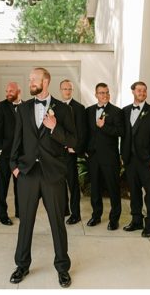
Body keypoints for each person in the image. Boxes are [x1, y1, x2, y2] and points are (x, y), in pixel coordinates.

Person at [9, 67, 78, 288]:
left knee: (57, 223)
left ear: (45, 81)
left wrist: (55, 127)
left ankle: (62, 267)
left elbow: (73, 142)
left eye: (34, 80)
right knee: (25, 222)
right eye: (29, 79)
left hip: (53, 174)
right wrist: (14, 166)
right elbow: (17, 139)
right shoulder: (24, 108)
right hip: (28, 173)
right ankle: (22, 265)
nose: (30, 83)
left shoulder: (64, 110)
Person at [121, 81, 150, 237]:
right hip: (130, 160)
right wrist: (122, 155)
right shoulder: (125, 111)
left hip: (147, 160)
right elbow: (124, 135)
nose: (142, 92)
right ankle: (136, 221)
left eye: (144, 90)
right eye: (139, 90)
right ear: (133, 91)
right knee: (134, 192)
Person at [84, 83, 124, 230]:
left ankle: (114, 219)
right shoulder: (88, 111)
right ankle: (96, 215)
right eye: (101, 93)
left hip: (109, 157)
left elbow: (121, 131)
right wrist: (85, 151)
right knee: (95, 188)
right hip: (93, 157)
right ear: (96, 94)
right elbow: (85, 133)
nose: (105, 95)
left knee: (113, 188)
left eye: (107, 92)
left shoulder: (116, 111)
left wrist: (104, 126)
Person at [0, 82, 22, 225]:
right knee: (2, 185)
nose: (8, 93)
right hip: (5, 153)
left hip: (22, 154)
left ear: (19, 91)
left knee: (21, 185)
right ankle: (2, 215)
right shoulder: (0, 106)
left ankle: (20, 212)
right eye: (7, 90)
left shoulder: (27, 106)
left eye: (11, 90)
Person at [59, 79, 87, 225]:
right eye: (64, 89)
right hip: (58, 153)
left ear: (72, 90)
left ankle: (76, 214)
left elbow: (81, 131)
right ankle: (64, 210)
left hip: (70, 152)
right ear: (60, 90)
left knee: (73, 184)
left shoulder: (79, 108)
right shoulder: (55, 106)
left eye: (69, 89)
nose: (67, 91)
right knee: (60, 183)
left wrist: (74, 148)